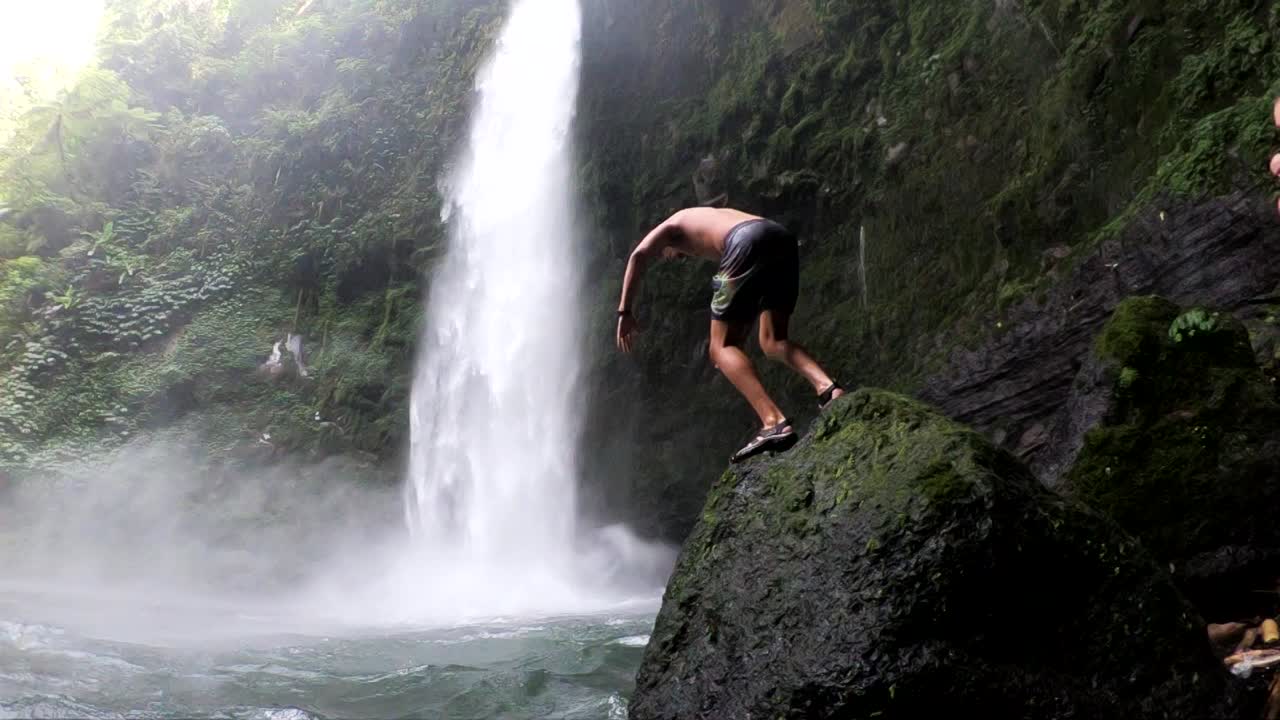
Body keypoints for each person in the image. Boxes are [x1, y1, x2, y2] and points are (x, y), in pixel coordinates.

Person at [615, 206, 846, 463]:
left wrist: (625, 312)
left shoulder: (670, 227)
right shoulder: (707, 214)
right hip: (779, 237)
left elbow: (638, 256)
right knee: (773, 340)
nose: (675, 258)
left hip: (743, 242)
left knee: (720, 347)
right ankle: (828, 389)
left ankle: (774, 423)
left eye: (668, 254)